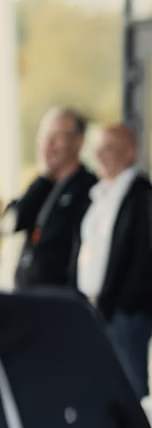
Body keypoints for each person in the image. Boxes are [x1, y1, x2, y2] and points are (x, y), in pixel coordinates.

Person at [77, 123, 152, 397]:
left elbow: (146, 257)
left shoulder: (143, 195)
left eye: (109, 148)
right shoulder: (98, 194)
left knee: (131, 388)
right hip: (95, 308)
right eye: (98, 149)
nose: (100, 156)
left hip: (124, 313)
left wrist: (121, 304)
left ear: (130, 152)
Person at [12, 107, 97, 291]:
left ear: (78, 142)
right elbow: (14, 222)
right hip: (27, 292)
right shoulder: (43, 186)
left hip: (61, 297)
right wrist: (42, 178)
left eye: (57, 136)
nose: (48, 144)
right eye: (44, 135)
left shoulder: (90, 189)